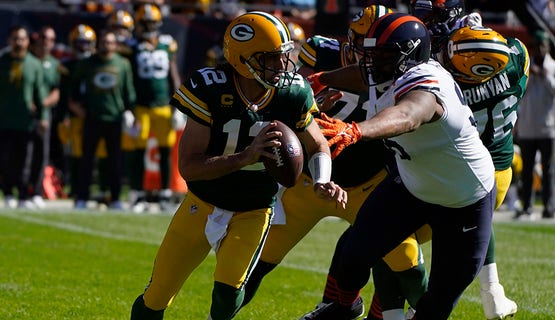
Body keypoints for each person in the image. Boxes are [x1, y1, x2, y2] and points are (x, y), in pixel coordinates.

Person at [129, 11, 347, 320]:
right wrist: (246, 156)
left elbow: (317, 144)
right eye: (271, 58)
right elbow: (189, 167)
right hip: (203, 203)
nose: (282, 66)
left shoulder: (292, 91)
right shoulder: (211, 88)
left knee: (229, 293)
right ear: (243, 59)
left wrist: (323, 178)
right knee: (158, 294)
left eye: (284, 57)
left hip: (255, 208)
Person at [240, 6, 430, 320]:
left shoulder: (408, 73)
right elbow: (269, 94)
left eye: (381, 48)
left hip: (369, 186)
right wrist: (302, 99)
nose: (370, 54)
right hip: (308, 182)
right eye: (365, 43)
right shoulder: (318, 53)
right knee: (252, 266)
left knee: (407, 264)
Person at [306, 13, 496, 320]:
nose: (372, 63)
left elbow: (409, 115)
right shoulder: (386, 70)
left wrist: (355, 130)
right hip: (413, 186)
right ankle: (344, 307)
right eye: (371, 55)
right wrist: (322, 79)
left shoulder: (428, 83)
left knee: (436, 304)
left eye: (382, 56)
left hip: (464, 198)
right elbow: (362, 74)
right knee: (353, 254)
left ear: (409, 56)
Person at [411, 1, 518, 318]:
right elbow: (515, 63)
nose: (425, 22)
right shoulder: (515, 56)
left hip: (460, 170)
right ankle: (493, 293)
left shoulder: (450, 70)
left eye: (430, 17)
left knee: (395, 242)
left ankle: (407, 311)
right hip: (499, 168)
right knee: (473, 232)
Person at [68, 30, 136, 210]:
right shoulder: (87, 63)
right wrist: (76, 107)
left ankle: (115, 197)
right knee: (87, 160)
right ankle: (82, 196)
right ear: (98, 44)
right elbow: (73, 87)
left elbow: (128, 90)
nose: (107, 45)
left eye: (110, 42)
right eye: (104, 42)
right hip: (92, 117)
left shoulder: (123, 64)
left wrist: (130, 111)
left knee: (115, 161)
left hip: (114, 117)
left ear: (116, 45)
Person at [125, 3, 182, 212]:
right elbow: (128, 77)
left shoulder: (167, 44)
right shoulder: (131, 46)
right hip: (140, 107)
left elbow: (173, 75)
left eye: (151, 22)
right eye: (145, 22)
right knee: (138, 151)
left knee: (165, 150)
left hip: (163, 106)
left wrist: (178, 106)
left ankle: (164, 194)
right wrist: (128, 109)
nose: (148, 26)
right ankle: (138, 194)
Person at [515, 29, 555, 220]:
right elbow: (519, 93)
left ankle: (548, 206)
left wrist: (545, 76)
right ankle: (527, 205)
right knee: (527, 171)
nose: (538, 50)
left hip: (548, 127)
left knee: (549, 170)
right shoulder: (525, 67)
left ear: (548, 47)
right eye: (535, 47)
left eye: (542, 46)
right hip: (528, 127)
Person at [0, 25, 47, 209]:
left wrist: (42, 117)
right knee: (4, 159)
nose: (18, 42)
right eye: (15, 39)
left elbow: (39, 93)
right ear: (9, 41)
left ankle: (22, 194)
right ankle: (8, 192)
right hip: (4, 119)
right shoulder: (2, 62)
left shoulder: (34, 64)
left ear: (28, 41)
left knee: (24, 160)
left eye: (22, 39)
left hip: (25, 121)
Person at [27, 25, 61, 209]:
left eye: (51, 39)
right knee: (23, 154)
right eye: (44, 38)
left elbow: (56, 90)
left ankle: (37, 191)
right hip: (24, 115)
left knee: (42, 155)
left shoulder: (54, 64)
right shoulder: (27, 60)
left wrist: (43, 105)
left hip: (44, 116)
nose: (47, 42)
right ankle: (21, 190)